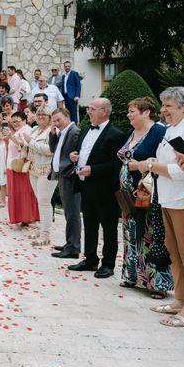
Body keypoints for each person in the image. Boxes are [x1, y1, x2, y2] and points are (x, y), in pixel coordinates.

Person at [136, 87, 184, 327]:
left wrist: (150, 165)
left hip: (183, 199)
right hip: (166, 197)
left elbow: (182, 172)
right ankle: (179, 299)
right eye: (164, 105)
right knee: (175, 253)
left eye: (169, 105)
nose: (164, 110)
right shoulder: (170, 130)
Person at [117, 98, 172, 298]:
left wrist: (138, 165)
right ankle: (132, 276)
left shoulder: (158, 131)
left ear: (146, 112)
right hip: (128, 194)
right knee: (131, 234)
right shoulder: (132, 132)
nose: (129, 115)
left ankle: (157, 283)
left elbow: (163, 159)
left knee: (151, 234)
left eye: (132, 111)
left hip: (147, 192)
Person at [68, 98, 125, 279]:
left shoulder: (116, 134)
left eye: (92, 109)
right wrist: (74, 156)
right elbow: (82, 152)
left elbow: (116, 165)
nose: (89, 112)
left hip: (105, 188)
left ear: (104, 111)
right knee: (90, 224)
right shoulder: (85, 129)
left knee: (108, 227)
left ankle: (108, 264)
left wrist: (93, 169)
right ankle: (90, 259)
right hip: (85, 185)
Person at [49, 108, 82, 259]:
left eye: (59, 120)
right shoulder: (62, 132)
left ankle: (73, 247)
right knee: (69, 212)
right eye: (54, 120)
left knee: (73, 213)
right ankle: (70, 243)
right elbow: (53, 149)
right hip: (62, 175)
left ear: (67, 116)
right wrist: (52, 133)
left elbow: (78, 155)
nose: (56, 123)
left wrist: (70, 171)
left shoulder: (74, 132)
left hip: (70, 176)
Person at [22, 106, 57, 246]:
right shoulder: (35, 129)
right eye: (39, 114)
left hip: (48, 170)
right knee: (39, 200)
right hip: (34, 168)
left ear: (49, 117)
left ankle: (45, 235)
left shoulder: (53, 131)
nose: (41, 116)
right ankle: (42, 228)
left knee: (44, 201)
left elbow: (50, 150)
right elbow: (29, 147)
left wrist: (31, 142)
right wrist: (23, 145)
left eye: (44, 114)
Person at [6, 112, 39, 227]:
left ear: (24, 120)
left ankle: (30, 218)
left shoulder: (27, 130)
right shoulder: (18, 131)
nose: (15, 123)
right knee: (18, 193)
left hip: (22, 166)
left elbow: (25, 146)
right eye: (13, 121)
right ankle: (23, 218)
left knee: (25, 192)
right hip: (14, 165)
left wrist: (11, 137)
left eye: (17, 121)